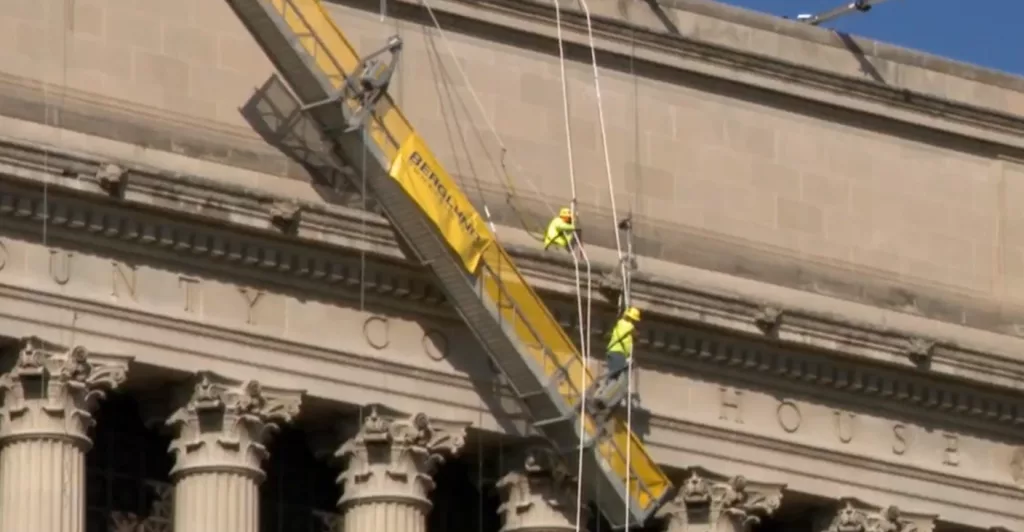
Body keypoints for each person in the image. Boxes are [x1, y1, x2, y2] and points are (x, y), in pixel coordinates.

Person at [589, 306, 641, 417]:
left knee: (613, 378)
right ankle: (604, 400)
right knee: (622, 381)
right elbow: (636, 336)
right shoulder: (629, 326)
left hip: (612, 352)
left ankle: (598, 396)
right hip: (619, 354)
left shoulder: (620, 324)